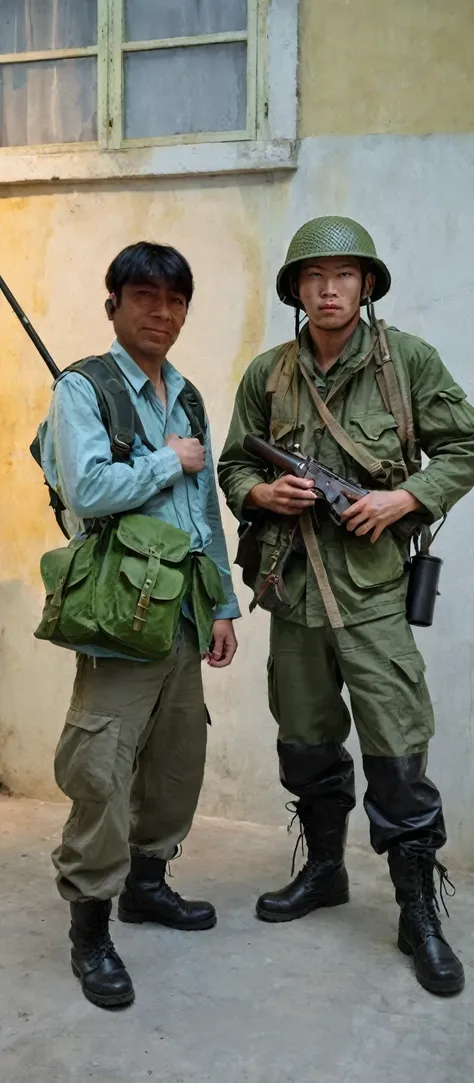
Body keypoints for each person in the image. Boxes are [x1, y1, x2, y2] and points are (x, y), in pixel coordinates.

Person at [218, 215, 474, 996]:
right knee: (306, 745)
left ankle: (415, 909)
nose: (329, 289)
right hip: (292, 593)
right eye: (314, 276)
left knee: (397, 754)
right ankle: (325, 871)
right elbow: (230, 466)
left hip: (371, 598)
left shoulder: (407, 365)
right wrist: (263, 491)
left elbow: (464, 447)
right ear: (296, 290)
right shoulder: (269, 374)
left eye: (345, 275)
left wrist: (404, 498)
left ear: (366, 286)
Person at [40, 241, 239, 1009]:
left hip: (185, 606)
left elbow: (205, 514)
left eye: (176, 300)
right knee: (102, 763)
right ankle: (89, 927)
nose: (162, 312)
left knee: (175, 756)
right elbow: (87, 489)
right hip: (121, 613)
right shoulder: (83, 387)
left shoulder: (186, 397)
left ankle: (146, 884)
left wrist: (222, 603)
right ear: (113, 303)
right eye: (146, 296)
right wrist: (168, 461)